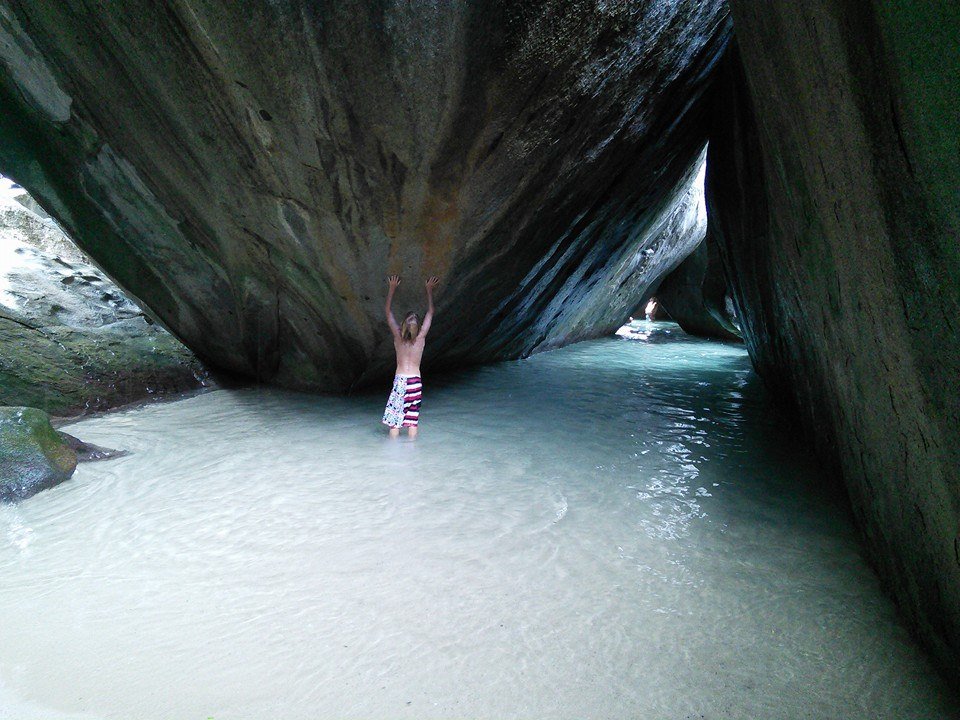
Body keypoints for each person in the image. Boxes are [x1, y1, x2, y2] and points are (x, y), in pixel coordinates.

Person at [382, 274, 439, 438]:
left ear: (403, 325)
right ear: (418, 327)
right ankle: (411, 454)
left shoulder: (398, 337)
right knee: (412, 420)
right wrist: (429, 290)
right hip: (415, 382)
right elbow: (431, 312)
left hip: (401, 381)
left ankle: (392, 454)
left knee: (395, 422)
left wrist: (392, 289)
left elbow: (387, 313)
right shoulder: (420, 338)